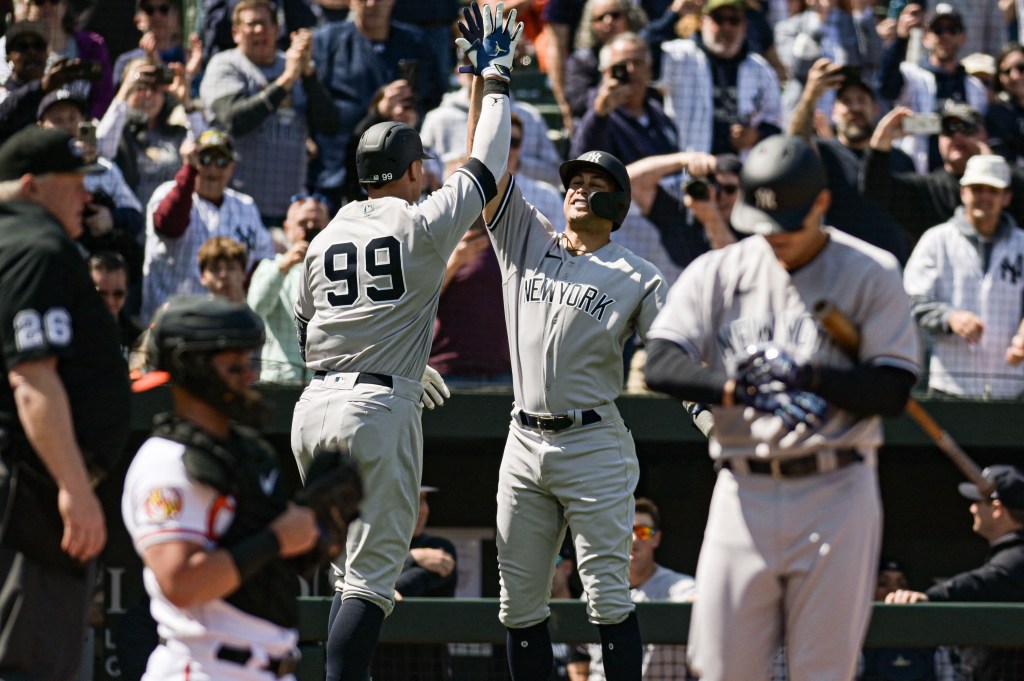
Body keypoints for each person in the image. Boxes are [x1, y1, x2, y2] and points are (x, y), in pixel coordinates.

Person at [290, 6, 519, 679]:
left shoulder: (325, 235)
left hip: (313, 406)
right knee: (369, 581)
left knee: (347, 575)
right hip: (373, 410)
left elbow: (309, 329)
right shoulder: (419, 224)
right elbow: (486, 164)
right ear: (412, 169)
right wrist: (496, 74)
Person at [644, 134, 919, 681]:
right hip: (741, 486)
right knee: (720, 668)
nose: (775, 237)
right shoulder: (720, 270)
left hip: (835, 488)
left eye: (789, 223)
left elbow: (891, 390)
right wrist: (733, 389)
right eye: (763, 221)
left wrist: (811, 375)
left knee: (820, 670)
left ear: (821, 205)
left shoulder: (870, 270)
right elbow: (659, 363)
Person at [468, 44, 666, 681]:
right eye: (574, 182)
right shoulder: (526, 237)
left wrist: (707, 412)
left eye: (594, 185)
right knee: (518, 604)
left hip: (594, 443)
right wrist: (491, 80)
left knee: (607, 595)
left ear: (616, 205)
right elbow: (486, 164)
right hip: (523, 438)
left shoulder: (636, 274)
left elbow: (670, 357)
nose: (578, 190)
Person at [121, 296, 323, 680]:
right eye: (235, 364)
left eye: (249, 361)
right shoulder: (167, 460)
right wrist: (277, 538)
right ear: (192, 366)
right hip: (204, 667)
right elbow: (180, 582)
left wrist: (318, 532)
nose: (249, 375)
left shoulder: (247, 454)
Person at [0, 125, 130, 680]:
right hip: (30, 492)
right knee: (29, 664)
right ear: (32, 186)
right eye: (74, 183)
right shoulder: (38, 245)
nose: (87, 196)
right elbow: (32, 378)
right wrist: (75, 489)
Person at [200, 0, 340, 225]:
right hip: (237, 208)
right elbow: (234, 120)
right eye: (251, 24)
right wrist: (285, 82)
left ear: (277, 30)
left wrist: (307, 75)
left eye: (265, 24)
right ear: (236, 32)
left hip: (289, 212)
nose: (259, 30)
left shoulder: (294, 65)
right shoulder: (226, 65)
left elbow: (330, 125)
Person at [885, 465, 1024, 680]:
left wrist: (931, 596)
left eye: (977, 502)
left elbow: (986, 581)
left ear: (997, 509)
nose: (972, 509)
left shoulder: (1016, 557)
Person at [903, 154, 1024, 399]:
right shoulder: (937, 240)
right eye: (977, 189)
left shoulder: (1022, 243)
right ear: (963, 193)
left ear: (1006, 197)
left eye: (993, 190)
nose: (984, 197)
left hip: (1012, 386)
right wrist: (949, 317)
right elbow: (909, 299)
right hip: (950, 385)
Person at [310, 0, 445, 203]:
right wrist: (378, 110)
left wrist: (414, 114)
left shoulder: (416, 43)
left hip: (396, 168)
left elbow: (434, 99)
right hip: (336, 171)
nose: (372, 4)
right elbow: (312, 101)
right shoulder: (326, 41)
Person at [141, 129, 275, 323]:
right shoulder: (167, 193)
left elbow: (262, 262)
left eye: (220, 162)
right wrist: (188, 173)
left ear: (232, 168)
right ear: (193, 163)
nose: (212, 170)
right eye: (205, 160)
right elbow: (170, 225)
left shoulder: (245, 206)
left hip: (226, 323)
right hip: (173, 321)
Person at [789, 58, 915, 263]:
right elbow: (794, 146)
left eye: (862, 100)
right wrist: (811, 95)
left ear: (875, 108)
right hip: (839, 272)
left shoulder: (900, 160)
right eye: (846, 101)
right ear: (833, 112)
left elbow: (913, 222)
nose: (855, 107)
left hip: (892, 273)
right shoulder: (825, 153)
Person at [863, 101, 1024, 240]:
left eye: (966, 128)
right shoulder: (928, 189)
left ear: (985, 136)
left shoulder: (1011, 182)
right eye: (948, 129)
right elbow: (875, 190)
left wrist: (992, 168)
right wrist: (880, 143)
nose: (958, 136)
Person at [582, 498, 696, 681]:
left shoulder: (677, 585)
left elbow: (696, 599)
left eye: (643, 532)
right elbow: (577, 653)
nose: (634, 539)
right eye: (626, 530)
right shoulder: (595, 587)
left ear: (656, 539)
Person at [660, 0, 783, 156]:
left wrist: (755, 135)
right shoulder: (679, 56)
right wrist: (673, 14)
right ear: (702, 22)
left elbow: (777, 124)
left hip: (743, 171)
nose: (726, 27)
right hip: (689, 169)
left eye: (734, 20)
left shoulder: (760, 69)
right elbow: (645, 53)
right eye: (718, 19)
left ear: (744, 26)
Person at [875, 3, 987, 173]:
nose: (945, 36)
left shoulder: (975, 87)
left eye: (952, 29)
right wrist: (901, 39)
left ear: (963, 37)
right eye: (938, 29)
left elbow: (979, 134)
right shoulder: (912, 75)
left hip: (962, 176)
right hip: (919, 176)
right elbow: (885, 88)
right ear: (926, 37)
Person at [371, 485, 458, 680]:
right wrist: (412, 557)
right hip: (382, 663)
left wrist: (379, 583)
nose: (423, 509)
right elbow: (341, 578)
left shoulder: (439, 547)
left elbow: (416, 581)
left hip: (428, 665)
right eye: (414, 499)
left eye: (424, 500)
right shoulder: (374, 546)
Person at [248, 192, 330, 383]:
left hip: (323, 381)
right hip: (280, 379)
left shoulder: (340, 270)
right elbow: (257, 309)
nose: (310, 228)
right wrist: (284, 266)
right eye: (303, 223)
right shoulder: (270, 266)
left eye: (317, 224)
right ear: (287, 228)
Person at [569, 32, 679, 165]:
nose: (631, 70)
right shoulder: (597, 113)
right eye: (622, 65)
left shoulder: (656, 110)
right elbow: (585, 160)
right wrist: (599, 116)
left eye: (637, 63)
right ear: (606, 72)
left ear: (649, 70)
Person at [89, 250, 144, 359]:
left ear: (127, 293)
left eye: (118, 294)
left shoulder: (137, 339)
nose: (110, 301)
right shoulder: (69, 335)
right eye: (101, 293)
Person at [984, 43, 1024, 167]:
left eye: (1021, 68)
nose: (1014, 76)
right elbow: (1002, 159)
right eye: (1007, 71)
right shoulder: (997, 114)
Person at [198, 235, 249, 302]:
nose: (224, 275)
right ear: (202, 277)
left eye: (231, 268)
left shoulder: (259, 312)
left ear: (244, 274)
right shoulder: (191, 312)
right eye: (215, 269)